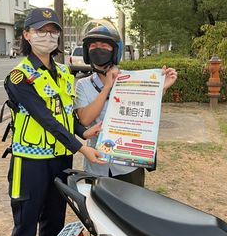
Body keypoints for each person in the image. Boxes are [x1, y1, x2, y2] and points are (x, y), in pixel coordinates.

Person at [4, 8, 103, 236]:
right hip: (30, 162)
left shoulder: (62, 72)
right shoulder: (18, 77)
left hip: (60, 159)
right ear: (26, 35)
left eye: (52, 31)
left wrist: (85, 131)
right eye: (40, 31)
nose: (48, 37)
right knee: (26, 225)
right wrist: (82, 148)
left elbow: (65, 114)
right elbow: (44, 119)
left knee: (54, 222)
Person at [74, 21, 177, 187]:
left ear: (115, 51)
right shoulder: (83, 85)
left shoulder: (132, 80)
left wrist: (161, 87)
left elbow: (146, 109)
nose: (97, 48)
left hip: (128, 164)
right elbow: (85, 120)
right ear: (87, 51)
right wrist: (107, 87)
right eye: (93, 45)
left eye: (104, 45)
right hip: (97, 162)